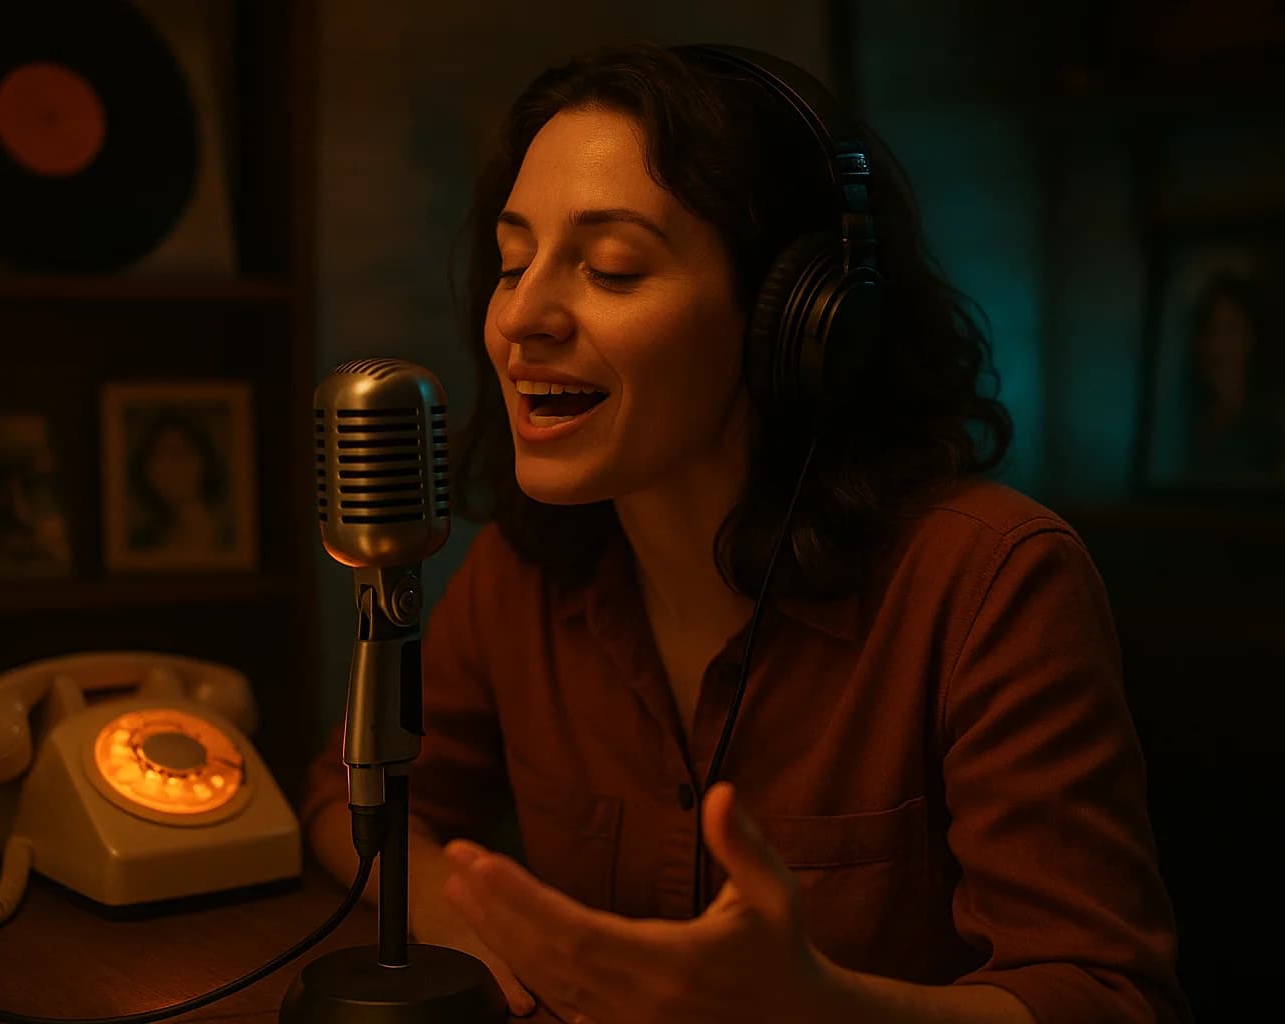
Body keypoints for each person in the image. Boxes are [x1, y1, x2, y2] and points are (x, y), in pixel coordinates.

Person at [305, 42, 1190, 1023]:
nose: (522, 316)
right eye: (514, 262)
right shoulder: (526, 571)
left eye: (610, 266)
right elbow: (350, 802)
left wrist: (819, 1007)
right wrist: (468, 923)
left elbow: (1108, 998)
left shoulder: (990, 581)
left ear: (794, 320)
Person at [1176, 271, 1285, 491]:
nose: (1217, 344)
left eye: (1230, 330)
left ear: (1250, 338)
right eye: (1210, 330)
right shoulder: (1186, 421)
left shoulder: (1278, 416)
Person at [125, 410, 234, 555]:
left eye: (178, 454)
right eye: (157, 456)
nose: (165, 468)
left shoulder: (230, 538)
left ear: (204, 462)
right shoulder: (141, 542)